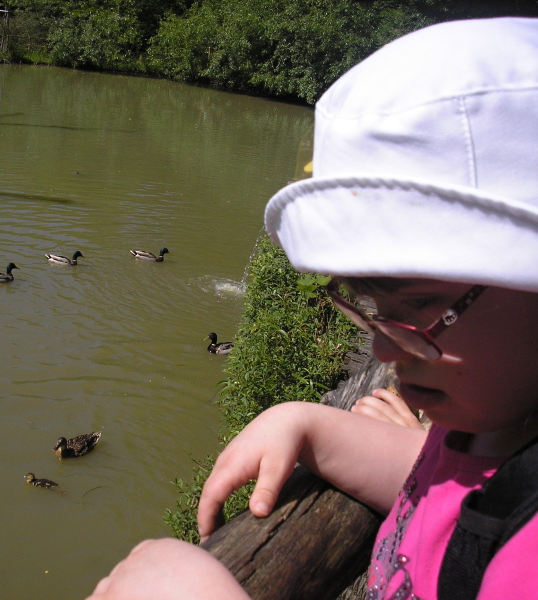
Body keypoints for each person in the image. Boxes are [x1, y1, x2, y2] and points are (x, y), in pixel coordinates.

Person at [86, 17, 538, 600]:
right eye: (371, 307)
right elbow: (450, 495)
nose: (381, 349)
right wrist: (308, 424)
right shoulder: (493, 427)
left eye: (421, 306)